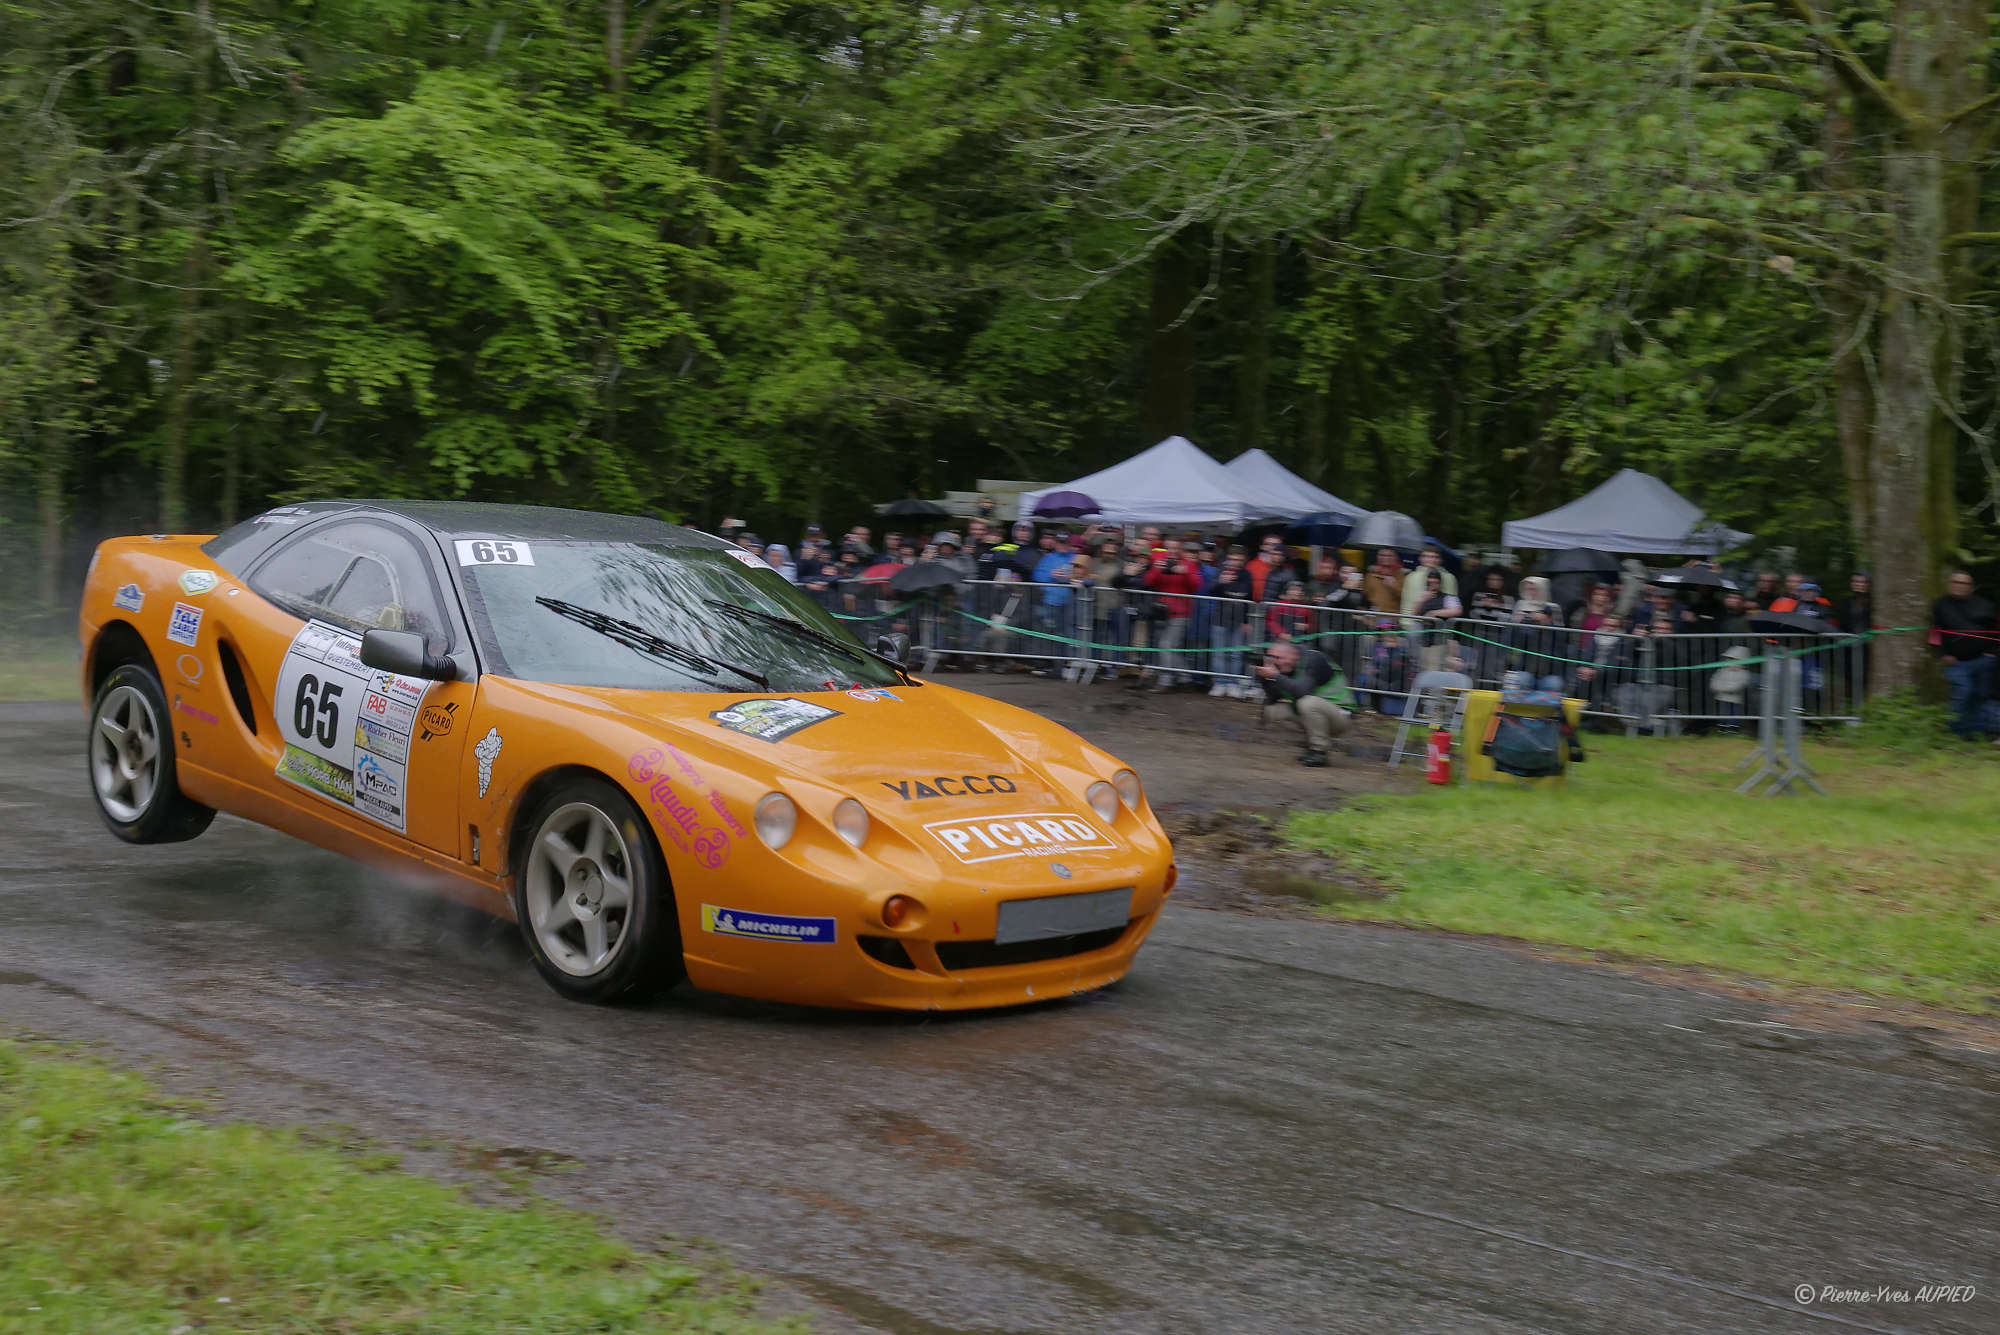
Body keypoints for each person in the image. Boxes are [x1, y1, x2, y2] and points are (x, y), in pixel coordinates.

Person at [1254, 639, 1355, 767]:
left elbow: (1302, 691)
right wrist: (1265, 678)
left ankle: (1319, 751)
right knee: (1272, 711)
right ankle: (1311, 743)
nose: (1276, 662)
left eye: (1279, 658)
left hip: (1341, 715)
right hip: (1319, 712)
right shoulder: (1285, 667)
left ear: (1293, 654)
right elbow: (1273, 698)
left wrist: (1276, 676)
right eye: (1272, 658)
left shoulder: (1313, 659)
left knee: (1307, 702)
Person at [1934, 571, 1998, 740]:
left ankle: (1979, 731)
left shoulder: (1983, 605)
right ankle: (1958, 732)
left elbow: (1995, 631)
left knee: (1982, 694)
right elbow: (1934, 631)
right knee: (1963, 692)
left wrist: (1992, 652)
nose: (1958, 586)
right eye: (1955, 582)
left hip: (1983, 659)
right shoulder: (1941, 605)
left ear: (1971, 587)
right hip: (1956, 661)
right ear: (1950, 584)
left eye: (1963, 583)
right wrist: (1944, 653)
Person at [1143, 538, 1203, 691]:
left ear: (1180, 549)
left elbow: (1196, 586)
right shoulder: (1160, 561)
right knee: (1169, 647)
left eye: (1175, 548)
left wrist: (1185, 573)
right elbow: (1148, 582)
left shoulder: (1188, 564)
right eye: (1169, 548)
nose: (1172, 551)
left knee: (1166, 645)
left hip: (1181, 612)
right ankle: (1185, 676)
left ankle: (1166, 681)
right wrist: (1157, 568)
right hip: (1162, 612)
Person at [1207, 550, 1256, 697]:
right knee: (1219, 653)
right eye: (1232, 558)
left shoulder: (1247, 575)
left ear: (1243, 561)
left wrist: (1247, 621)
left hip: (1239, 620)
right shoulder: (1221, 572)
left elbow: (1250, 598)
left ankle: (1233, 683)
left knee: (1236, 653)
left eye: (1238, 559)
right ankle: (1220, 683)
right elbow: (1210, 591)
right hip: (1220, 619)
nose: (1234, 562)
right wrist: (1221, 582)